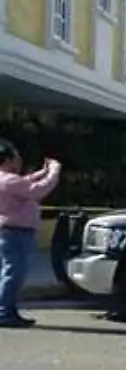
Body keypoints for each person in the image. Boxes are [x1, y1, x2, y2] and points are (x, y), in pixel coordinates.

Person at [0, 140, 61, 328]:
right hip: (16, 232)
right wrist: (54, 172)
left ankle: (8, 311)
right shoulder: (9, 180)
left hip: (11, 231)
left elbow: (25, 183)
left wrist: (42, 172)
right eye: (16, 156)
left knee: (10, 272)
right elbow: (38, 191)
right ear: (7, 160)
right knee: (14, 274)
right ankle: (4, 313)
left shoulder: (7, 180)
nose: (19, 160)